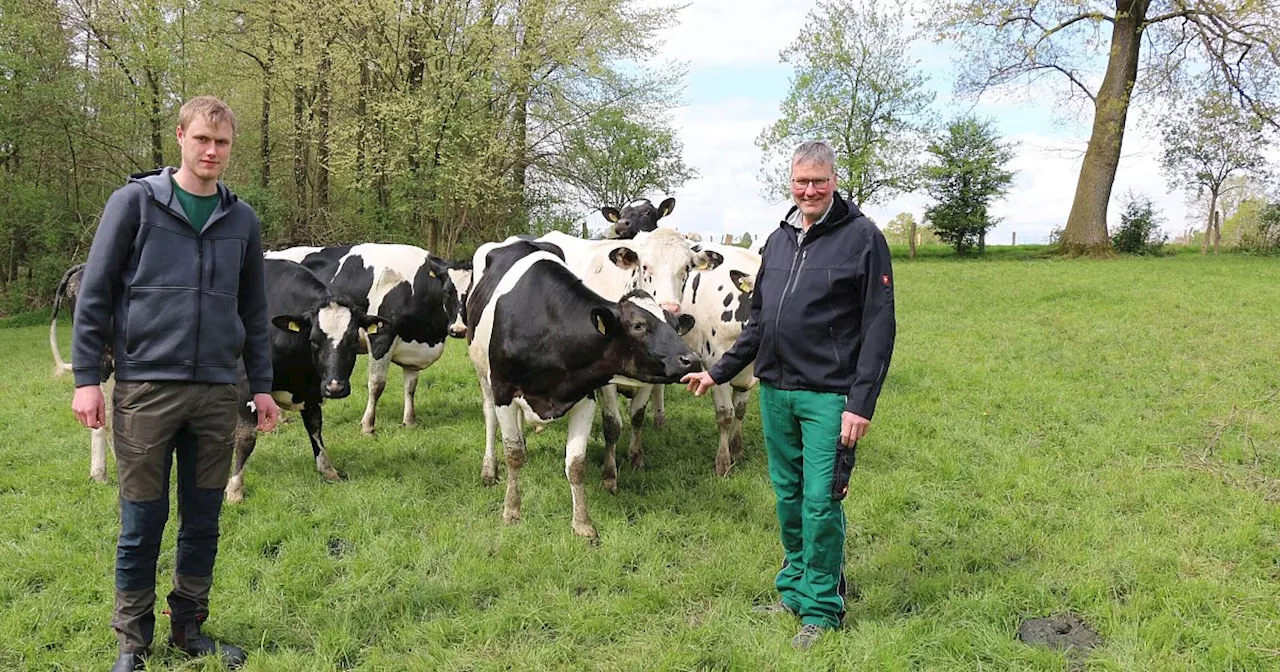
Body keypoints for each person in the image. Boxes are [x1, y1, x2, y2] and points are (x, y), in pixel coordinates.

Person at [70, 96, 281, 672]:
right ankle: (132, 642)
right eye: (202, 140)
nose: (212, 152)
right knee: (141, 521)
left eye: (223, 143)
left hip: (217, 392)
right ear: (181, 138)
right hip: (145, 389)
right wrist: (88, 378)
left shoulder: (242, 220)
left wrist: (261, 386)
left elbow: (254, 311)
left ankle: (189, 628)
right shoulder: (134, 204)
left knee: (204, 518)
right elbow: (95, 297)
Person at [682, 140, 895, 649]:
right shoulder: (776, 241)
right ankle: (795, 591)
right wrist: (719, 372)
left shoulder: (863, 238)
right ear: (791, 183)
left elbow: (880, 325)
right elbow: (758, 324)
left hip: (829, 396)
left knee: (821, 502)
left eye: (819, 181)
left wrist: (861, 403)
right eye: (801, 181)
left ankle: (822, 608)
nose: (810, 190)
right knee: (789, 496)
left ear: (834, 182)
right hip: (774, 389)